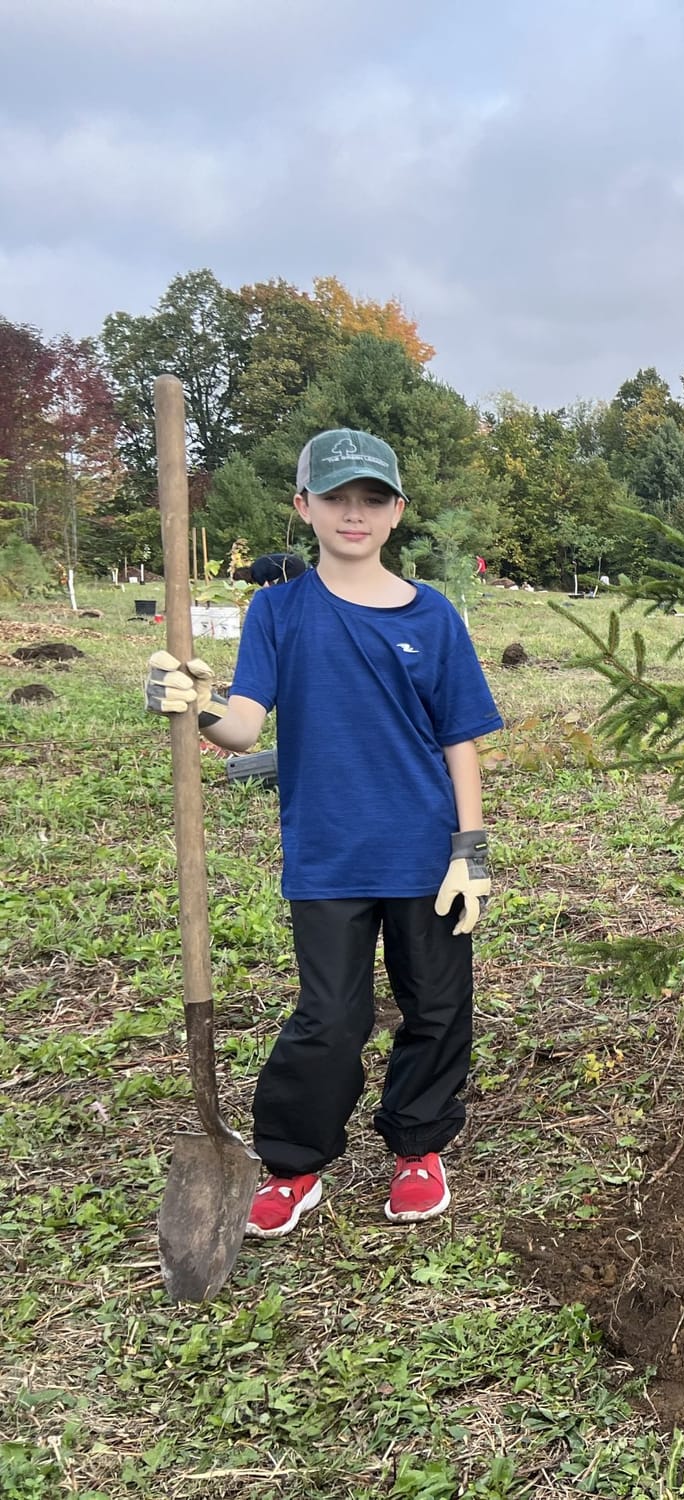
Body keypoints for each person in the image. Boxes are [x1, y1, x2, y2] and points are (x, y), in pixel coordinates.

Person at [143, 428, 504, 1240]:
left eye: (371, 498)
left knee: (437, 1006)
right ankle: (295, 1160)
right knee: (329, 1016)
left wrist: (470, 851)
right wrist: (189, 702)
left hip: (425, 853)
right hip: (329, 855)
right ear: (303, 506)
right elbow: (241, 727)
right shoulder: (277, 610)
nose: (354, 513)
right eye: (336, 497)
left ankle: (418, 1147)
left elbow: (460, 740)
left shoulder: (433, 616)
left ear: (396, 512)